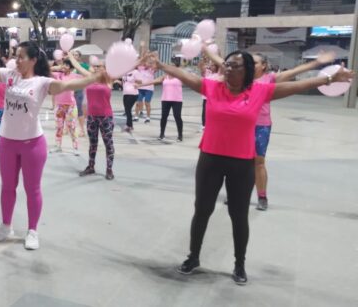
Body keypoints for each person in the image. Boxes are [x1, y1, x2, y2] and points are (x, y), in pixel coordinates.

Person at [150, 49, 353, 285]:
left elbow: (297, 86)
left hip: (242, 162)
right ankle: (193, 257)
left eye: (235, 66)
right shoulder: (212, 87)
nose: (228, 69)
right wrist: (162, 65)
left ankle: (239, 263)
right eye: (227, 65)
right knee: (202, 210)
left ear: (247, 71)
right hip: (210, 160)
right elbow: (187, 77)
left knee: (238, 215)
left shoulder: (260, 91)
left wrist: (330, 78)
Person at [0, 41, 105, 250]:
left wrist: (95, 77)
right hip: (7, 143)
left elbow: (68, 86)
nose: (16, 60)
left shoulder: (42, 82)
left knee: (32, 189)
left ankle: (32, 231)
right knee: (8, 187)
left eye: (21, 57)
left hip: (32, 145)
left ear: (33, 60)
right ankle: (6, 225)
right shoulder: (9, 75)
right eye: (16, 56)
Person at [249, 52, 335, 211]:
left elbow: (294, 72)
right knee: (239, 162)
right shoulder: (241, 79)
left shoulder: (270, 79)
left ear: (263, 66)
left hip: (261, 126)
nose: (250, 65)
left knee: (259, 162)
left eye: (254, 62)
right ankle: (237, 192)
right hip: (241, 126)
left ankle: (262, 196)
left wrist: (316, 63)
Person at [68, 54, 115, 180]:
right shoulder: (90, 78)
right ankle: (91, 166)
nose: (97, 68)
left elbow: (125, 69)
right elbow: (77, 66)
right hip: (92, 117)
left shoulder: (109, 80)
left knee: (108, 143)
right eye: (96, 66)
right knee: (92, 143)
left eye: (100, 66)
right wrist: (70, 56)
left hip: (106, 117)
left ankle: (109, 169)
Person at [138, 63, 185, 141]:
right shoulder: (164, 76)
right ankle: (161, 134)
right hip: (165, 99)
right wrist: (141, 85)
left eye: (173, 67)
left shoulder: (179, 77)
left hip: (177, 100)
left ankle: (180, 135)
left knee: (177, 117)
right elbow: (153, 81)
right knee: (163, 117)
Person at [51, 60, 81, 155]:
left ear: (71, 67)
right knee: (59, 127)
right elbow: (46, 70)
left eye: (67, 65)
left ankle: (75, 147)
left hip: (71, 106)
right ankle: (58, 146)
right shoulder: (57, 75)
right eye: (64, 64)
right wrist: (58, 67)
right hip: (59, 105)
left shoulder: (74, 76)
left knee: (71, 127)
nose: (64, 66)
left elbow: (87, 76)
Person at [70, 50, 87, 137]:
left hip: (79, 90)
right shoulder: (70, 66)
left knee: (80, 111)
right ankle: (69, 128)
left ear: (79, 56)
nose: (75, 56)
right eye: (73, 55)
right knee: (70, 110)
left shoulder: (84, 66)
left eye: (76, 55)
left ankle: (82, 130)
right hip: (70, 91)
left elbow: (88, 75)